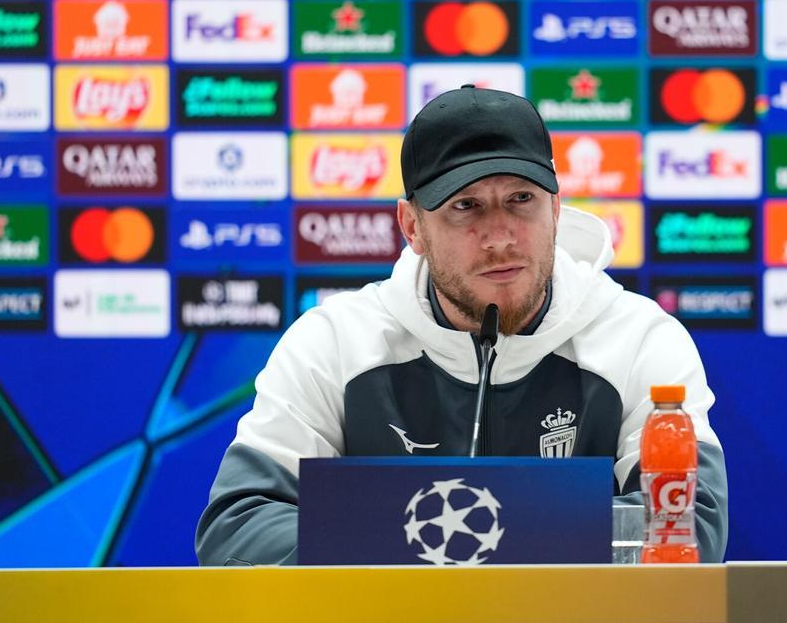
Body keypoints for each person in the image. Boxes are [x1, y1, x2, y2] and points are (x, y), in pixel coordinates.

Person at [195, 86, 728, 565]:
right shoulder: (334, 344)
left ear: (557, 208)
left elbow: (688, 527)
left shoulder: (638, 340)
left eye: (521, 199)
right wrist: (444, 561)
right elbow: (238, 526)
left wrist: (446, 544)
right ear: (413, 227)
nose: (500, 236)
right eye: (465, 206)